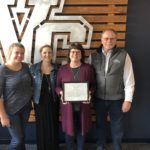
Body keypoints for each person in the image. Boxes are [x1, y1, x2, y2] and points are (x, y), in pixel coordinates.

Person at [89, 29, 135, 150]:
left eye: (112, 38)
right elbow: (89, 78)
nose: (109, 41)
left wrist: (128, 100)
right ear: (101, 40)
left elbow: (129, 79)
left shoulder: (124, 55)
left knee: (117, 127)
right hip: (98, 99)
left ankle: (116, 147)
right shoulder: (93, 56)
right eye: (106, 38)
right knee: (100, 126)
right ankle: (100, 147)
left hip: (117, 99)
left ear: (116, 40)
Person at [56, 42, 95, 150]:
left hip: (83, 106)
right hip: (67, 106)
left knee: (81, 131)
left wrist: (90, 93)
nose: (75, 54)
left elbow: (93, 85)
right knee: (69, 131)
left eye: (78, 52)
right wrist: (61, 93)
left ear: (82, 54)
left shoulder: (88, 68)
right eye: (72, 52)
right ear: (69, 54)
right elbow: (57, 86)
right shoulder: (62, 69)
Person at [0, 43, 33, 150]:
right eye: (17, 53)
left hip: (26, 107)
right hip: (11, 111)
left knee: (22, 137)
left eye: (22, 53)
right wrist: (3, 116)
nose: (20, 55)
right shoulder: (3, 69)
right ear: (10, 53)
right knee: (17, 139)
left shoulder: (26, 66)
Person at [30, 45, 59, 150]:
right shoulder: (34, 68)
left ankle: (53, 147)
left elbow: (60, 84)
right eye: (45, 52)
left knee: (53, 124)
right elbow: (30, 86)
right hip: (39, 101)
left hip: (53, 100)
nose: (47, 54)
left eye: (49, 52)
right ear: (41, 54)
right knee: (41, 125)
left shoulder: (57, 68)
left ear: (52, 54)